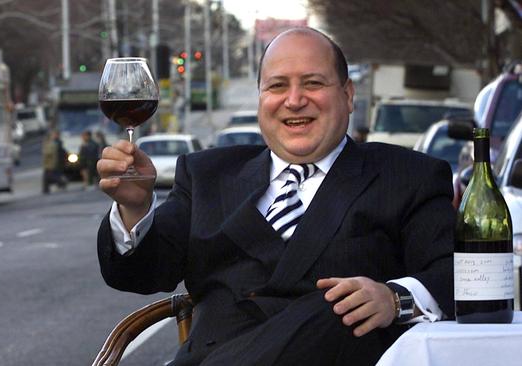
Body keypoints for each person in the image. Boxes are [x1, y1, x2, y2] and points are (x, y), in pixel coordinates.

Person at [96, 27, 454, 366]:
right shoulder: (206, 174)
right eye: (277, 86)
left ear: (347, 95)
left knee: (335, 310)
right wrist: (134, 207)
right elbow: (140, 276)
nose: (294, 101)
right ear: (261, 98)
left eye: (313, 83)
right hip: (219, 352)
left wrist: (396, 299)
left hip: (338, 352)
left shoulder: (409, 177)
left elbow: (462, 275)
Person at [42, 129, 67, 194]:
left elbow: (49, 153)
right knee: (47, 176)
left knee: (50, 176)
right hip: (51, 163)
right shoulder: (53, 143)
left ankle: (61, 183)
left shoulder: (55, 143)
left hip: (52, 162)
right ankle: (46, 188)